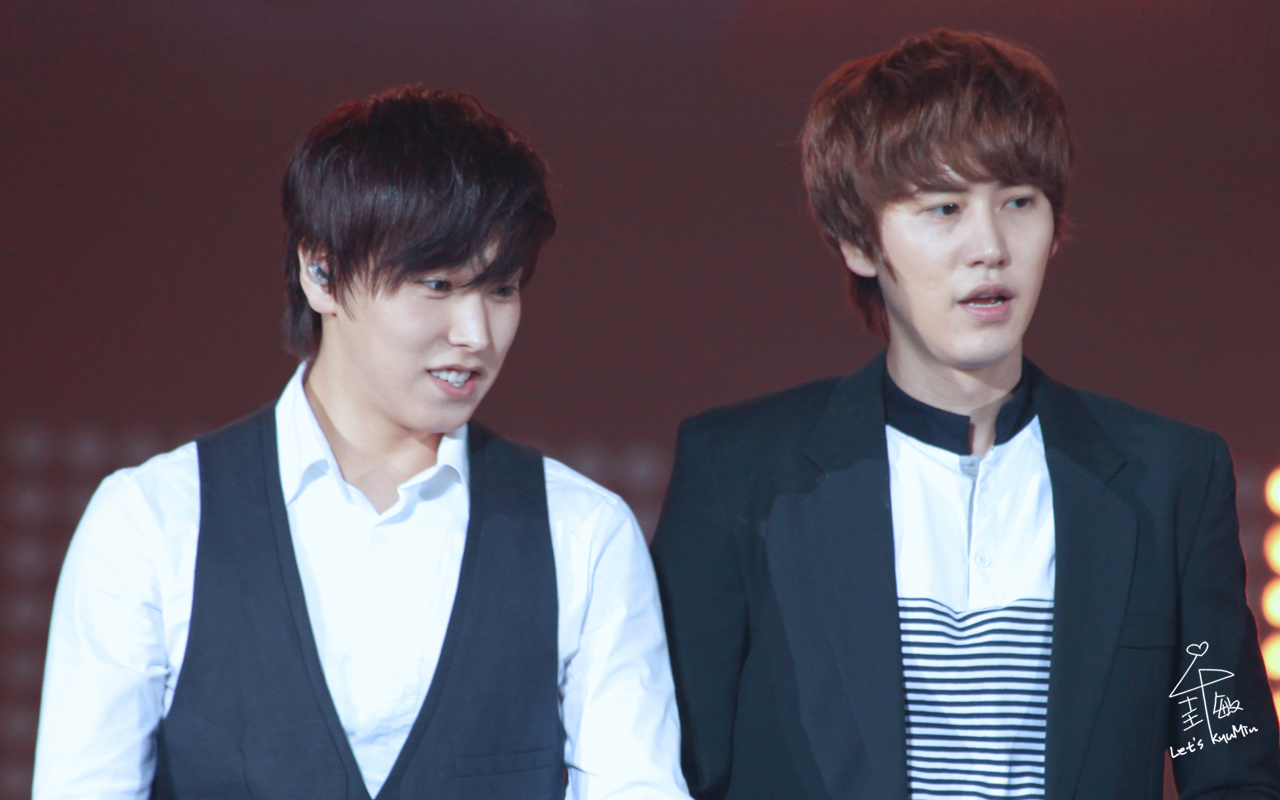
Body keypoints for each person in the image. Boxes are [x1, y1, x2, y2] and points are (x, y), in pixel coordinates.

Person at [650, 29, 1280, 800]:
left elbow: (1231, 769)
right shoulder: (740, 477)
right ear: (857, 241)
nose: (989, 247)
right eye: (944, 208)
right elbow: (670, 774)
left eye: (1018, 202)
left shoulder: (1167, 482)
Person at [34, 86, 689, 800]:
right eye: (437, 284)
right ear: (321, 273)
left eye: (501, 290)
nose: (475, 333)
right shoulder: (152, 522)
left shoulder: (582, 533)